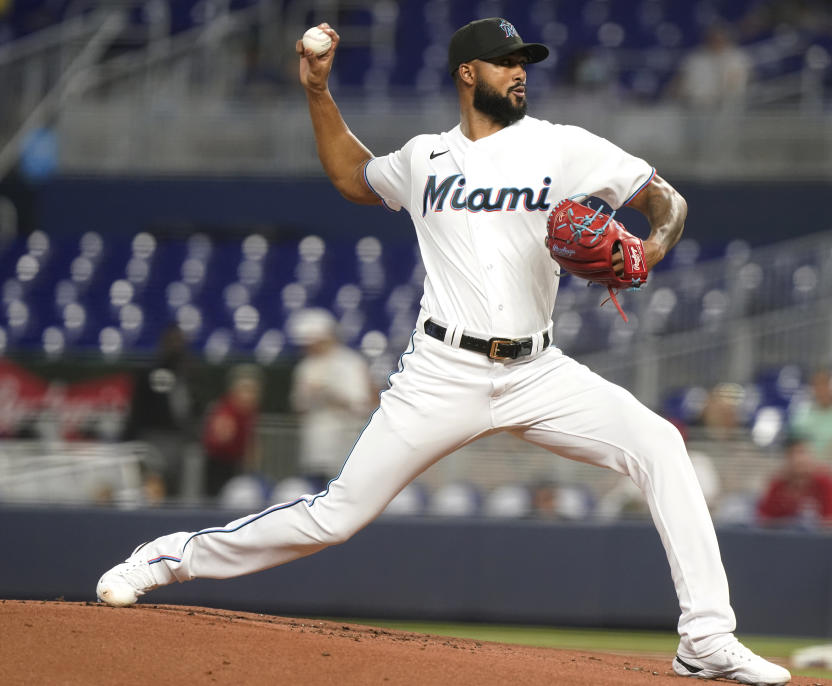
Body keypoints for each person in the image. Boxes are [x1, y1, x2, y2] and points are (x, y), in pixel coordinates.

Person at [96, 18, 789, 685]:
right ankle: (166, 558)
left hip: (537, 370)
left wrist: (648, 248)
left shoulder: (565, 145)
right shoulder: (425, 158)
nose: (520, 74)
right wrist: (316, 90)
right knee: (336, 515)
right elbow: (351, 176)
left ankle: (706, 639)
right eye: (507, 62)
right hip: (442, 371)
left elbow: (667, 202)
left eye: (525, 64)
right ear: (468, 73)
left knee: (660, 446)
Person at [289, 308, 376, 484]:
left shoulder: (351, 363)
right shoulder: (305, 367)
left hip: (345, 452)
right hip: (314, 451)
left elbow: (362, 406)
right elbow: (298, 406)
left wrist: (331, 395)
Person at [123, 324, 198, 498]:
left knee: (172, 488)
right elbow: (138, 409)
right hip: (153, 437)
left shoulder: (187, 371)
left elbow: (192, 407)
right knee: (152, 485)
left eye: (179, 342)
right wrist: (130, 437)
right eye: (173, 341)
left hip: (177, 439)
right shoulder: (151, 372)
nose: (177, 346)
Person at [756, 433, 832, 527]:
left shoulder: (826, 483)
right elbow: (764, 522)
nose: (798, 459)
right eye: (792, 454)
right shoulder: (777, 485)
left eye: (802, 452)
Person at [202, 364, 262, 498]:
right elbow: (220, 436)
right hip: (220, 463)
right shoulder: (225, 409)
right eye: (246, 391)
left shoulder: (250, 413)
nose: (250, 396)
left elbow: (250, 440)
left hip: (236, 463)